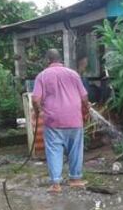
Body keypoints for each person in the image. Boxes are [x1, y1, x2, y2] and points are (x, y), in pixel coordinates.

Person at [32, 49, 89, 193]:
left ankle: (56, 184)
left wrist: (39, 111)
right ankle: (75, 179)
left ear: (47, 60)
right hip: (74, 119)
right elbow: (84, 97)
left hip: (53, 120)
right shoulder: (73, 74)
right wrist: (86, 111)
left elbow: (35, 99)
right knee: (76, 149)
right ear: (61, 60)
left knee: (54, 151)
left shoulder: (42, 76)